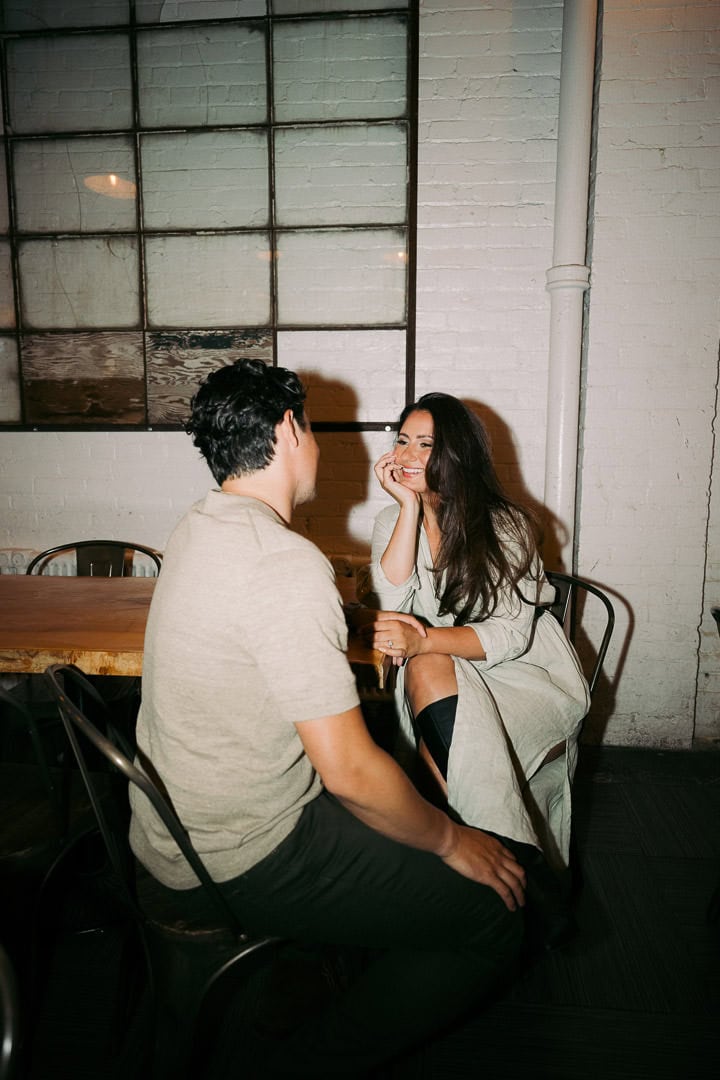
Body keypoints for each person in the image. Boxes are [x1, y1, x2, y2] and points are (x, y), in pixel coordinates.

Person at [129, 360, 525, 1079]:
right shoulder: (283, 562)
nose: (316, 444)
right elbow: (349, 774)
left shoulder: (198, 524)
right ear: (288, 430)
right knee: (492, 918)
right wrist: (452, 840)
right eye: (310, 428)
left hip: (173, 828)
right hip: (240, 849)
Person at [357, 393, 591, 886]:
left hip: (520, 676)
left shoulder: (506, 525)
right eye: (402, 441)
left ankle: (481, 870)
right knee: (427, 671)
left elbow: (508, 635)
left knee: (430, 683)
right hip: (437, 679)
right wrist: (407, 508)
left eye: (426, 444)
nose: (407, 455)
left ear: (456, 455)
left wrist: (422, 643)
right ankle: (511, 868)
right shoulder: (390, 522)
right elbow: (392, 608)